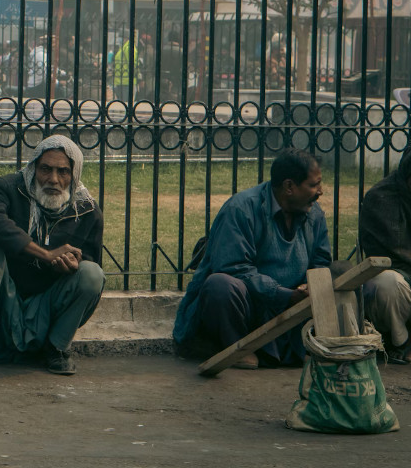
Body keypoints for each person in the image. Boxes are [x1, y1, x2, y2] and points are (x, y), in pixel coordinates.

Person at [0, 136, 105, 386]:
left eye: (63, 172)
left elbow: (89, 265)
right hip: (3, 304)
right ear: (33, 167)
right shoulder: (11, 187)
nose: (53, 179)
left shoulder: (87, 211)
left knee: (92, 274)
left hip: (46, 310)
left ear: (75, 174)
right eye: (45, 169)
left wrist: (70, 265)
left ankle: (56, 348)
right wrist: (45, 254)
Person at [172, 149, 331, 368]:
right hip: (251, 306)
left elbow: (321, 261)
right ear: (289, 187)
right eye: (314, 185)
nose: (320, 191)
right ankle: (236, 348)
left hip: (291, 306)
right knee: (221, 285)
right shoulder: (241, 209)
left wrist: (307, 285)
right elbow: (234, 268)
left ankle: (309, 345)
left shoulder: (314, 213)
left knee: (341, 274)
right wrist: (283, 294)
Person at [358, 149, 411, 364]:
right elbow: (395, 253)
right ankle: (400, 343)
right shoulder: (381, 197)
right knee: (388, 283)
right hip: (398, 278)